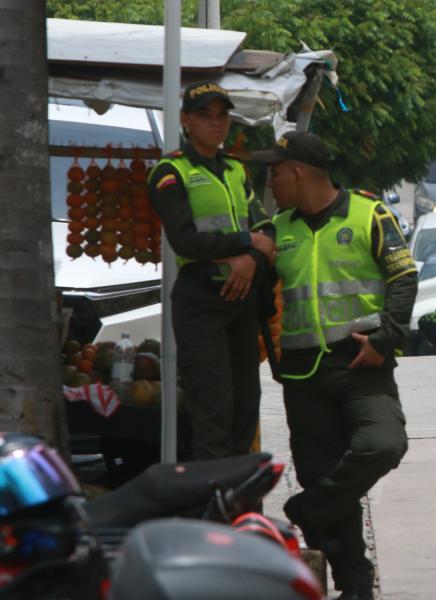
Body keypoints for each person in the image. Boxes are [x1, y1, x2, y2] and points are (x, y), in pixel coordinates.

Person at [253, 131, 417, 600]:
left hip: (363, 361)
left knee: (383, 444)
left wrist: (385, 340)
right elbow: (260, 299)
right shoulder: (276, 230)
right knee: (320, 472)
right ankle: (355, 583)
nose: (272, 181)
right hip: (304, 374)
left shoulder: (370, 213)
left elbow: (404, 277)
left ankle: (308, 509)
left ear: (298, 172)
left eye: (276, 172)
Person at [148, 82, 275, 461]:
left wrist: (250, 260)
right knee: (213, 414)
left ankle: (239, 507)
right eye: (205, 115)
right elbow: (185, 241)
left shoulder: (235, 169)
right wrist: (244, 243)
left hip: (241, 300)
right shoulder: (170, 172)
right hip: (201, 302)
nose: (216, 124)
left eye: (222, 116)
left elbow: (267, 230)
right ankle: (214, 509)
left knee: (244, 409)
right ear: (185, 120)